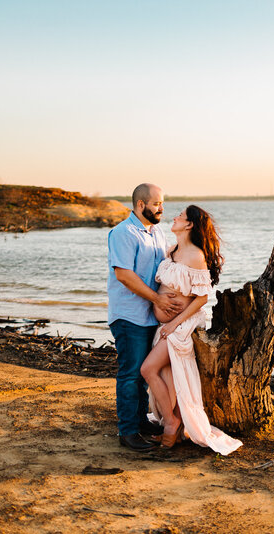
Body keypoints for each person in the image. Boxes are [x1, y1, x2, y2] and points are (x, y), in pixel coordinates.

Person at [140, 205, 243, 455]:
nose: (174, 217)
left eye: (180, 216)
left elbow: (201, 297)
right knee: (166, 375)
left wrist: (175, 323)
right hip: (166, 325)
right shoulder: (172, 250)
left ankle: (172, 423)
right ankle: (172, 423)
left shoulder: (196, 255)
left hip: (181, 326)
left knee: (148, 369)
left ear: (189, 225)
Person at [107, 183, 183, 452]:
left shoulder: (157, 231)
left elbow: (168, 262)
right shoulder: (123, 233)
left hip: (150, 317)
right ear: (141, 205)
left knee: (141, 374)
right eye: (156, 203)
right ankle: (128, 432)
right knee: (130, 374)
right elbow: (124, 275)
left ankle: (140, 421)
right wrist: (158, 299)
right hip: (129, 315)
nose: (161, 208)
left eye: (162, 203)